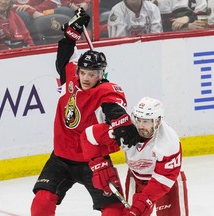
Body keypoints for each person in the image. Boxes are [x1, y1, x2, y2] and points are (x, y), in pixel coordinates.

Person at [30, 7, 140, 216]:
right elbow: (64, 53)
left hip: (94, 161)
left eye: (93, 73)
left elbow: (114, 111)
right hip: (61, 157)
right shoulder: (70, 78)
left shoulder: (106, 91)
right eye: (83, 72)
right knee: (42, 203)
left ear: (101, 74)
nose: (86, 78)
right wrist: (73, 31)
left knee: (114, 211)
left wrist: (123, 125)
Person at [81, 97, 189, 216]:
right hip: (136, 178)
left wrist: (142, 203)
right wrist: (100, 168)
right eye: (139, 120)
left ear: (157, 121)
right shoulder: (126, 132)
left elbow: (163, 180)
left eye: (146, 121)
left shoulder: (168, 141)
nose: (141, 126)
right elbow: (89, 136)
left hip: (167, 184)